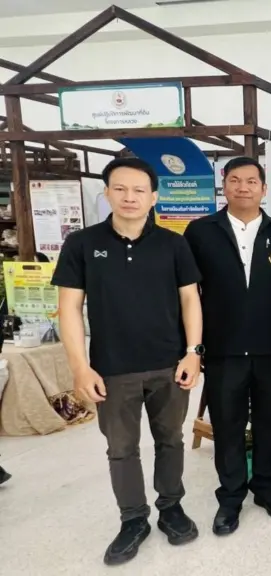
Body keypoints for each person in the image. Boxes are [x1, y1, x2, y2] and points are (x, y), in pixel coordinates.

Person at [52, 157, 203, 565]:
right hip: (112, 369)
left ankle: (171, 507)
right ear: (107, 193)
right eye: (120, 189)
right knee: (121, 448)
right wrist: (80, 366)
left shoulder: (173, 244)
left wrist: (193, 352)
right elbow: (70, 308)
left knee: (171, 439)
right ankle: (133, 518)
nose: (129, 197)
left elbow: (190, 299)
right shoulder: (82, 244)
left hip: (169, 364)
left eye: (139, 190)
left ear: (154, 197)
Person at [183, 156, 271, 535]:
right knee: (228, 425)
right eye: (235, 180)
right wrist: (193, 348)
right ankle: (231, 497)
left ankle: (267, 487)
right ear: (225, 186)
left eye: (251, 181)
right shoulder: (200, 232)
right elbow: (188, 294)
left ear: (264, 189)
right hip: (224, 349)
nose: (243, 187)